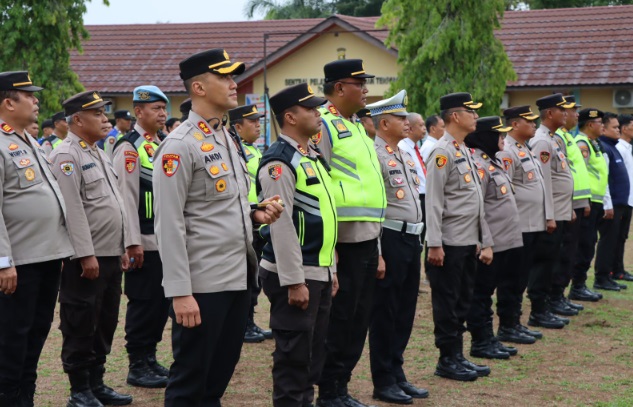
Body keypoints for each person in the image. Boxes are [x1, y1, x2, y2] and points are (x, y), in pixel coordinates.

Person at [153, 48, 283, 407]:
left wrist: (256, 213)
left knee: (217, 378)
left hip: (238, 276)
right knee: (190, 381)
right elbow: (170, 223)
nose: (233, 83)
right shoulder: (179, 145)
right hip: (203, 284)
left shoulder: (226, 137)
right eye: (223, 77)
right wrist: (180, 292)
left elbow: (219, 204)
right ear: (197, 87)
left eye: (233, 76)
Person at [49, 90, 134, 407]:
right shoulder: (67, 156)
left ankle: (96, 383)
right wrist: (85, 254)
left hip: (110, 255)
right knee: (80, 321)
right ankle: (79, 390)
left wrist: (123, 245)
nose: (105, 119)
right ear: (78, 120)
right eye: (97, 114)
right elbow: (72, 210)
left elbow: (113, 204)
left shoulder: (97, 152)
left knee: (106, 321)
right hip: (86, 259)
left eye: (105, 113)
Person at [256, 82, 338, 407]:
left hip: (316, 270)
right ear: (290, 117)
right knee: (293, 360)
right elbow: (281, 225)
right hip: (294, 274)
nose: (318, 113)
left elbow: (324, 216)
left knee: (311, 358)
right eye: (310, 109)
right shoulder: (279, 162)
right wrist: (293, 281)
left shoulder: (310, 155)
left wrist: (331, 268)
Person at [313, 59, 387, 407]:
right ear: (339, 88)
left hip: (368, 239)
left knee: (359, 319)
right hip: (343, 242)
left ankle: (342, 385)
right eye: (360, 83)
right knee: (341, 319)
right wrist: (331, 245)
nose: (366, 90)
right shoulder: (324, 125)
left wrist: (379, 245)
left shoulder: (357, 126)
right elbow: (319, 189)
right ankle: (329, 390)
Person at [0, 71, 74, 407]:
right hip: (19, 262)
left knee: (35, 334)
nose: (36, 100)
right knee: (12, 338)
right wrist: (3, 261)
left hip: (46, 257)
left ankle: (24, 397)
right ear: (8, 102)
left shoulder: (27, 141)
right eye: (28, 95)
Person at [425, 92, 493, 382]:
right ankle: (447, 359)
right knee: (448, 303)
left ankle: (458, 355)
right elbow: (434, 201)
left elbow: (474, 201)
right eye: (471, 112)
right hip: (449, 243)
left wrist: (480, 237)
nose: (476, 117)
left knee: (463, 300)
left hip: (467, 240)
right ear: (455, 116)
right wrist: (435, 243)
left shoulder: (462, 149)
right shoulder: (442, 152)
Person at [366, 91, 428, 404]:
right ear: (384, 122)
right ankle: (383, 380)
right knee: (385, 313)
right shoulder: (374, 155)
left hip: (410, 239)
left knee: (404, 312)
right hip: (389, 240)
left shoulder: (403, 152)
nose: (408, 122)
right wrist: (377, 252)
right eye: (401, 118)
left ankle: (397, 372)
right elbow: (375, 208)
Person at [111, 85, 171, 389]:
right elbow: (126, 199)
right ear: (138, 111)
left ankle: (149, 358)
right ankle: (137, 363)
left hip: (163, 240)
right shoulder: (129, 147)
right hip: (143, 242)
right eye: (155, 109)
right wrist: (131, 241)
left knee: (160, 304)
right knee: (144, 302)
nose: (162, 114)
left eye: (164, 109)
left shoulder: (160, 143)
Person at [464, 116, 523, 360]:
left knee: (488, 292)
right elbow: (477, 209)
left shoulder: (492, 161)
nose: (503, 139)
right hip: (489, 243)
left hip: (502, 242)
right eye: (499, 135)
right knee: (481, 294)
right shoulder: (478, 164)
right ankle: (480, 341)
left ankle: (490, 338)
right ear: (486, 137)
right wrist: (485, 242)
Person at [495, 105, 548, 344]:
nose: (535, 125)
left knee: (522, 276)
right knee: (512, 277)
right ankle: (507, 325)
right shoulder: (507, 151)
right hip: (518, 225)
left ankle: (515, 322)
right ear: (514, 124)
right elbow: (505, 190)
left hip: (532, 223)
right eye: (530, 121)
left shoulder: (525, 148)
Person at [527, 93, 574, 329]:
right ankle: (538, 309)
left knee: (553, 259)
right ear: (549, 113)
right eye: (561, 110)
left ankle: (545, 305)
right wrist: (549, 215)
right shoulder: (542, 141)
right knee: (544, 262)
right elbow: (542, 180)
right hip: (550, 214)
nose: (566, 114)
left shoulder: (555, 139)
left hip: (559, 211)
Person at [228, 104, 273, 344]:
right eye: (252, 121)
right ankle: (243, 324)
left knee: (254, 276)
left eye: (259, 120)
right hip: (244, 220)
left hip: (257, 221)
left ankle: (250, 320)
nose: (258, 125)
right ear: (237, 126)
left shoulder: (253, 151)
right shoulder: (234, 151)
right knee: (246, 276)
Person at [550, 95, 590, 316]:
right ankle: (555, 296)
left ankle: (560, 295)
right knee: (563, 252)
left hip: (575, 202)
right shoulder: (557, 138)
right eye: (569, 110)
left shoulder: (567, 137)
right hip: (567, 203)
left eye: (574, 111)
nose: (574, 114)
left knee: (571, 250)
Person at [571, 108, 607, 301]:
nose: (603, 125)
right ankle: (577, 285)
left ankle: (580, 283)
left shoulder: (594, 144)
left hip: (596, 201)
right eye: (600, 122)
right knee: (584, 244)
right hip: (588, 201)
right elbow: (581, 173)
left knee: (589, 242)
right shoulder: (582, 143)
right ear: (591, 124)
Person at [595, 112, 630, 291]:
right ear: (604, 129)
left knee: (615, 239)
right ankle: (602, 277)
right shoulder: (605, 148)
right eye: (615, 127)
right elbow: (605, 179)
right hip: (612, 203)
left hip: (620, 203)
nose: (618, 130)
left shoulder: (612, 146)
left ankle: (609, 274)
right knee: (608, 240)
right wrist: (608, 204)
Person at [398, 112, 427, 239]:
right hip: (416, 196)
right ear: (410, 128)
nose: (424, 128)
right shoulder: (403, 147)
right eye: (421, 125)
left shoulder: (414, 147)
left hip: (424, 196)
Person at [613, 113, 633, 282]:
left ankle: (619, 268)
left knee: (622, 236)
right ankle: (614, 269)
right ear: (625, 128)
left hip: (628, 199)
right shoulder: (620, 147)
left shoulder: (627, 147)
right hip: (621, 199)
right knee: (616, 236)